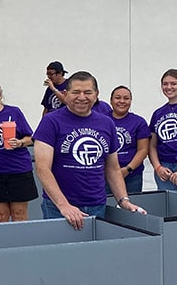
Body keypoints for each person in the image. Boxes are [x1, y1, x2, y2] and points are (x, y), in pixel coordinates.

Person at [34, 70, 143, 229]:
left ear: (97, 94)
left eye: (88, 92)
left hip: (97, 206)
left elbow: (112, 169)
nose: (82, 97)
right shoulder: (50, 122)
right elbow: (42, 168)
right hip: (59, 209)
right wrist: (64, 205)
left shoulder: (107, 123)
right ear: (66, 93)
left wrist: (123, 201)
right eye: (76, 92)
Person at [0, 78, 36, 222]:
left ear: (0, 94)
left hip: (18, 171)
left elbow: (31, 137)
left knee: (19, 213)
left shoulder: (14, 112)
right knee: (0, 215)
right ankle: (2, 244)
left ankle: (21, 244)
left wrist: (20, 142)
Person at [109, 85, 151, 195]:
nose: (122, 101)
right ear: (111, 100)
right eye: (117, 98)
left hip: (132, 175)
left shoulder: (139, 122)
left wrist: (127, 169)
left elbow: (143, 150)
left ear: (130, 101)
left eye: (126, 98)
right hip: (106, 175)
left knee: (132, 208)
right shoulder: (102, 120)